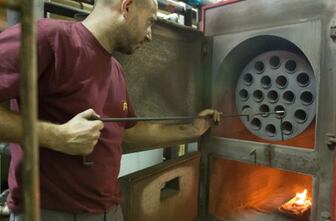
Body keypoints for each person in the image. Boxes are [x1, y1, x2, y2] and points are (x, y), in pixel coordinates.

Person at [0, 0, 220, 220]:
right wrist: (57, 136)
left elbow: (127, 133)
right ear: (126, 6)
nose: (149, 35)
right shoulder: (46, 38)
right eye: (149, 22)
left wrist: (191, 130)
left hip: (109, 209)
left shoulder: (116, 69)